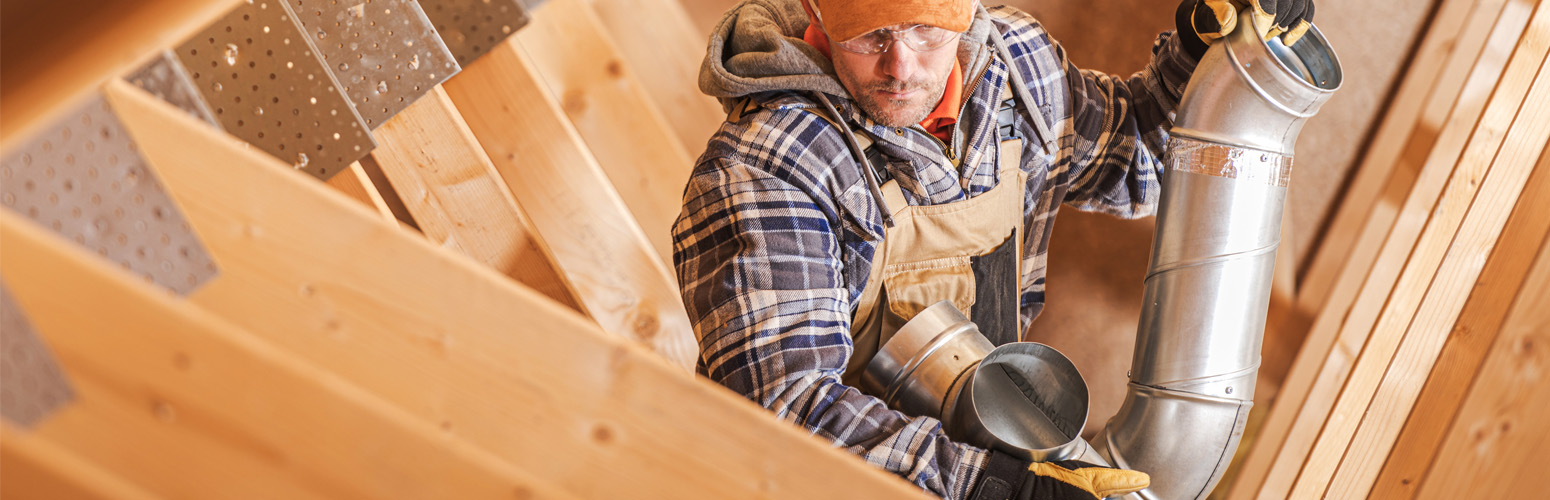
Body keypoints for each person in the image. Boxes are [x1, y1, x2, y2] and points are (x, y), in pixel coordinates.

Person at [673, 0, 1314, 498]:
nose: (902, 67)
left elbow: (1135, 158)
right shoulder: (768, 167)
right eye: (871, 36)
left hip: (989, 439)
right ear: (816, 11)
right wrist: (991, 486)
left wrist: (1203, 59)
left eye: (927, 29)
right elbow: (787, 408)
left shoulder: (1015, 73)